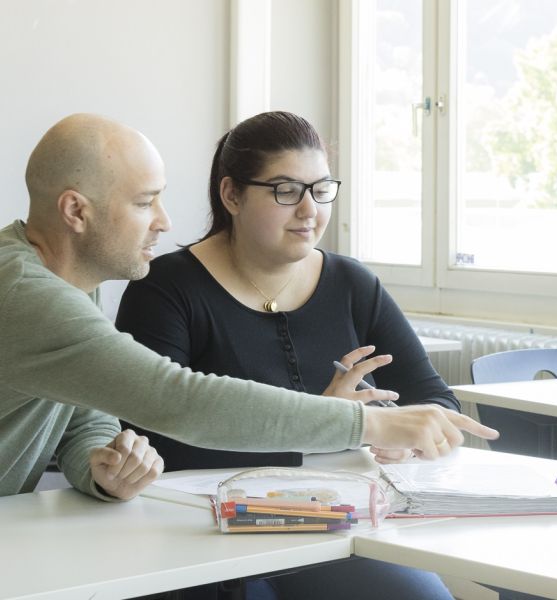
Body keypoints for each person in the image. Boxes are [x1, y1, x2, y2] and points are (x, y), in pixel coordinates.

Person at [0, 113, 498, 505]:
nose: (164, 221)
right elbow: (177, 400)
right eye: (144, 203)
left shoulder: (67, 281)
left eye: (320, 190)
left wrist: (100, 469)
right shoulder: (23, 293)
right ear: (75, 212)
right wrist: (365, 425)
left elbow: (83, 414)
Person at [115, 111, 464, 599]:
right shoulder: (165, 288)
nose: (308, 211)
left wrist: (405, 436)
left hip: (337, 526)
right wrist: (330, 427)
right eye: (285, 191)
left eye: (320, 190)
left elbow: (437, 403)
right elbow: (158, 439)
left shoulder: (352, 285)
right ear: (232, 194)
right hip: (200, 531)